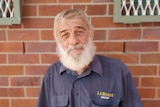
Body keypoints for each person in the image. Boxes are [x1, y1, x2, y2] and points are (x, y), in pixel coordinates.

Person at [37, 9, 143, 107]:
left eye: (79, 32)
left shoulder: (118, 71)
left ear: (90, 34)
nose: (74, 41)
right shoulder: (51, 75)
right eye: (65, 35)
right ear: (59, 40)